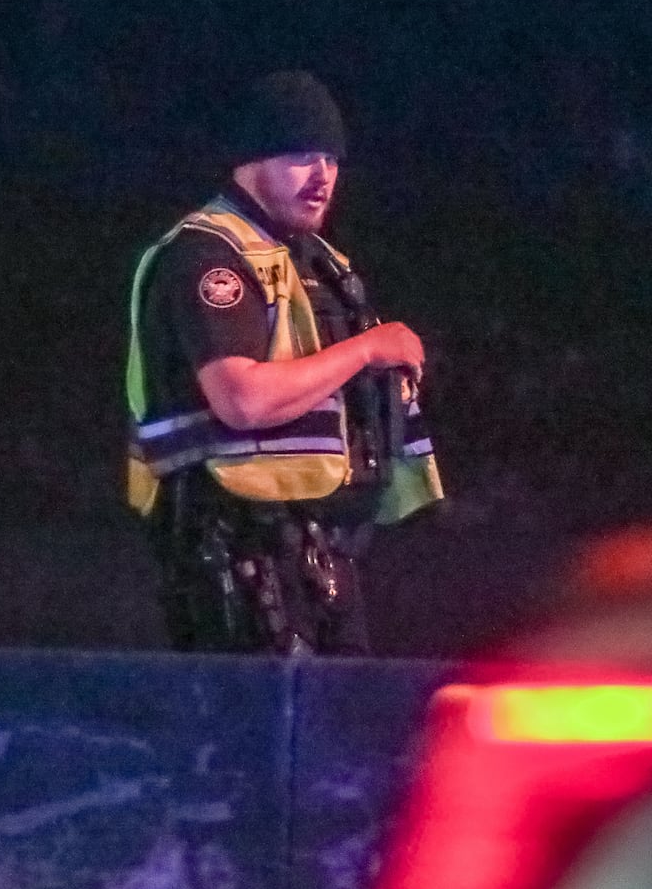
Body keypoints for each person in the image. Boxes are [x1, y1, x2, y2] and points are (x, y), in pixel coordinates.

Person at [124, 71, 443, 654]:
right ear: (251, 161)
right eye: (301, 156)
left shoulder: (317, 262)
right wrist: (368, 349)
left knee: (343, 708)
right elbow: (241, 399)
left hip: (319, 550)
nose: (322, 175)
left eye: (331, 158)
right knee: (261, 712)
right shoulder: (208, 255)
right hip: (235, 551)